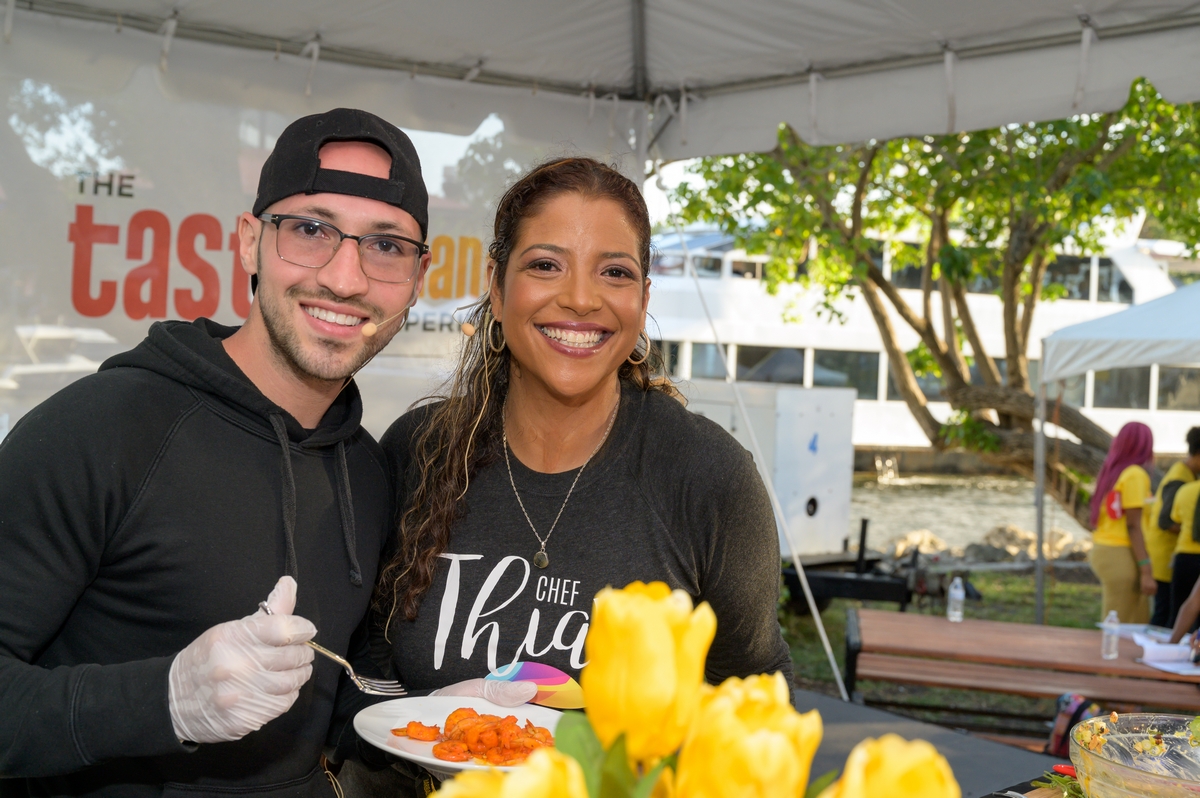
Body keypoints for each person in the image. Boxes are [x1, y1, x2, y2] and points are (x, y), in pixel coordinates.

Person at [0, 109, 431, 797]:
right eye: (312, 230)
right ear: (249, 242)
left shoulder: (368, 472)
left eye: (386, 246)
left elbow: (328, 700)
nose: (346, 279)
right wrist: (166, 700)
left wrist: (440, 717)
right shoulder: (100, 429)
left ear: (417, 277)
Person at [376, 157, 794, 702]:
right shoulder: (417, 451)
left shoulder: (710, 479)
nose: (579, 297)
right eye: (546, 265)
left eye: (614, 272)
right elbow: (366, 667)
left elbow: (758, 700)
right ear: (497, 291)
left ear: (643, 301)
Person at [1088, 422, 1156, 623]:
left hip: (1106, 550)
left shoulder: (1112, 473)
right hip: (1121, 553)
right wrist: (1146, 570)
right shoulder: (1135, 474)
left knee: (1119, 620)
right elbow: (1133, 525)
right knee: (1123, 627)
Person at [1146, 427, 1200, 627]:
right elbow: (1165, 521)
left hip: (1174, 557)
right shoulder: (1179, 478)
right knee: (1167, 614)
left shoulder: (1188, 476)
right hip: (1166, 557)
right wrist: (1191, 527)